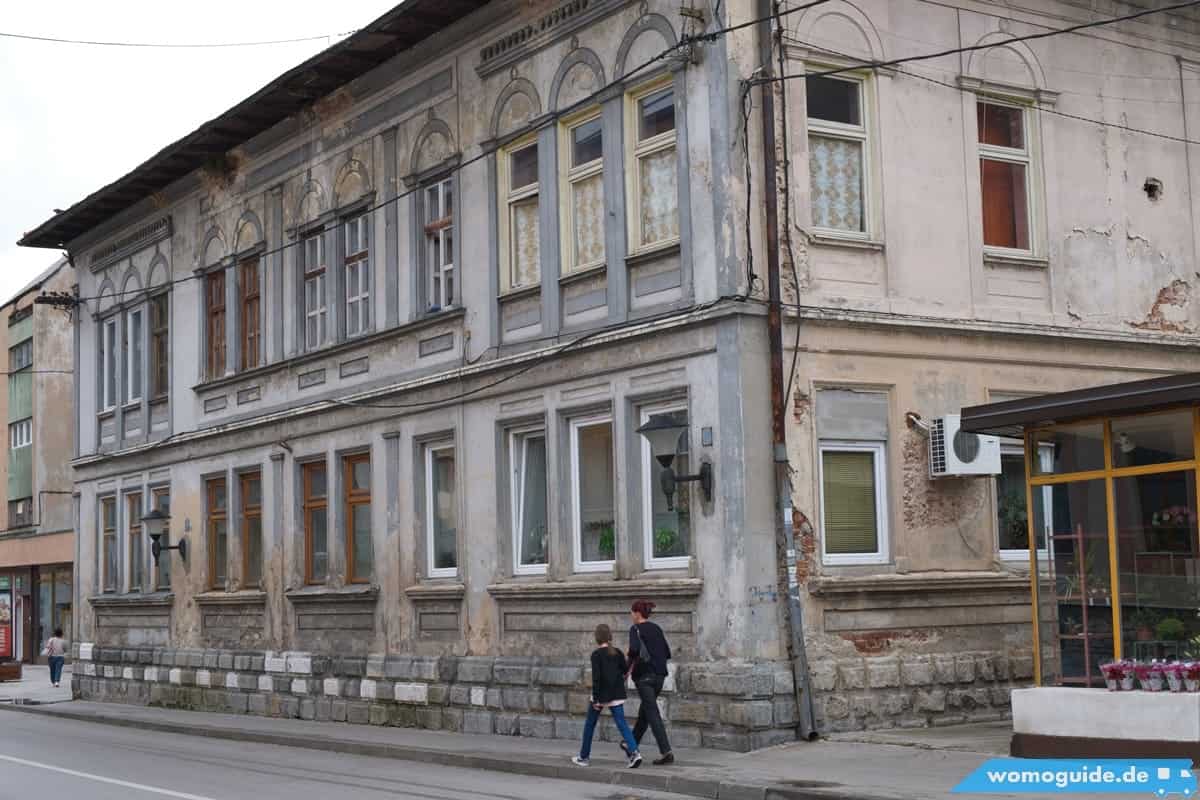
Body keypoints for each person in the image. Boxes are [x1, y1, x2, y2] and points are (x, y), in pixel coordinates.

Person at [572, 624, 643, 769]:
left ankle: (584, 757)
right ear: (610, 636)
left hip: (602, 694)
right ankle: (635, 753)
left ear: (597, 638)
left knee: (590, 726)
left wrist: (596, 699)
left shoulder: (596, 655)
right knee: (622, 725)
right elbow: (625, 670)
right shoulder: (617, 652)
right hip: (616, 693)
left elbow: (597, 679)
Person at [624, 599, 674, 765]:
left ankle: (666, 751)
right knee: (645, 713)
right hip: (660, 675)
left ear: (637, 613)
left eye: (632, 612)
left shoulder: (635, 629)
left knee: (651, 713)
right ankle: (630, 744)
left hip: (644, 676)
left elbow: (634, 651)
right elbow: (667, 652)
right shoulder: (657, 629)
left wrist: (626, 669)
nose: (631, 615)